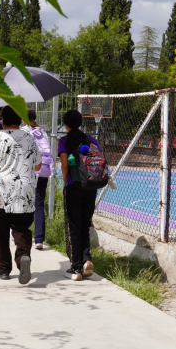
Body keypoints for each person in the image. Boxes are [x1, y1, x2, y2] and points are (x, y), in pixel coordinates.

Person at [0, 105, 41, 284]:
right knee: (22, 229)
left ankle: (4, 268)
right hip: (25, 191)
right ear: (20, 119)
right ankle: (22, 258)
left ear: (3, 120)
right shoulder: (29, 137)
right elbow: (37, 166)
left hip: (1, 192)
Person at [58, 109, 100, 281]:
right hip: (91, 186)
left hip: (73, 186)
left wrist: (64, 179)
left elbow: (64, 165)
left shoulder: (64, 141)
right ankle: (87, 260)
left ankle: (76, 267)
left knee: (74, 226)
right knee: (85, 224)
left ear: (66, 125)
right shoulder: (91, 139)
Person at [21, 107, 52, 250]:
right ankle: (39, 239)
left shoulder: (23, 131)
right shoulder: (42, 132)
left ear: (23, 118)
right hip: (42, 171)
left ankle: (20, 233)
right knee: (38, 205)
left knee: (23, 202)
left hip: (27, 172)